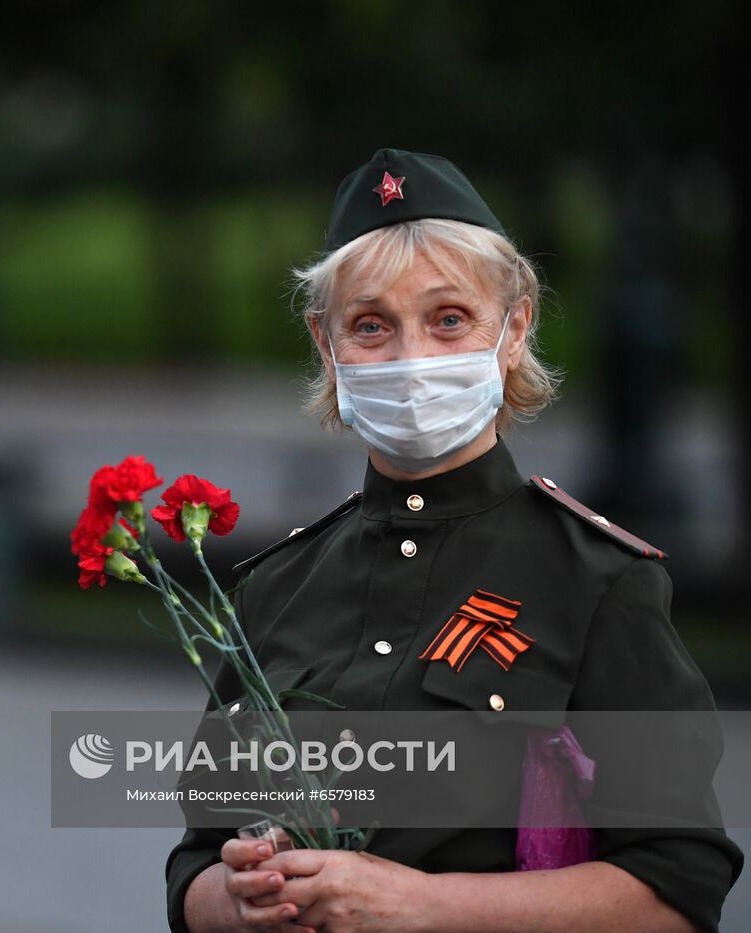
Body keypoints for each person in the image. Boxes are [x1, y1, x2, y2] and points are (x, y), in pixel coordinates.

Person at [166, 149, 743, 932]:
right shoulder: (275, 586)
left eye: (448, 320)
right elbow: (196, 862)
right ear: (326, 347)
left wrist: (427, 905)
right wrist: (240, 900)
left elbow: (680, 885)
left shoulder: (597, 579)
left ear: (514, 328)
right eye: (371, 325)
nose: (411, 360)